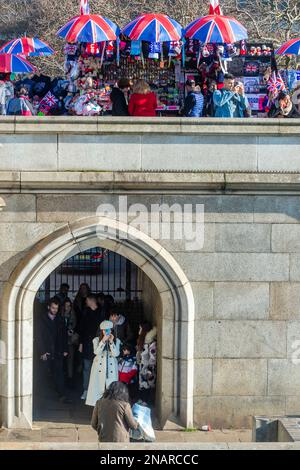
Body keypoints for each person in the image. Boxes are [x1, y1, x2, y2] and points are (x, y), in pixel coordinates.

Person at [36, 298, 70, 403]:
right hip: (46, 351)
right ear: (48, 307)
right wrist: (42, 351)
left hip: (58, 351)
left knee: (59, 373)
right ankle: (38, 396)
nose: (55, 310)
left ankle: (62, 395)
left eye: (56, 308)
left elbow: (64, 335)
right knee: (42, 373)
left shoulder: (60, 319)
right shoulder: (41, 320)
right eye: (53, 308)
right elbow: (38, 337)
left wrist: (65, 349)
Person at [86, 320, 121, 407]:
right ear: (101, 330)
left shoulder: (117, 340)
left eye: (109, 330)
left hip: (111, 368)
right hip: (99, 368)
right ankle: (98, 408)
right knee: (98, 389)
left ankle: (110, 408)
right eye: (105, 330)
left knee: (111, 389)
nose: (107, 332)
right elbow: (96, 352)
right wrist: (103, 341)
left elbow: (116, 354)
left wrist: (112, 342)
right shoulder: (96, 340)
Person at [78, 294, 106, 400]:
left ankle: (98, 391)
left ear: (91, 300)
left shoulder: (102, 312)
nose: (85, 302)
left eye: (86, 300)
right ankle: (86, 390)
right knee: (86, 368)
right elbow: (82, 329)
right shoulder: (86, 312)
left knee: (99, 369)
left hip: (99, 345)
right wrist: (81, 343)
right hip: (87, 344)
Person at [136, 323, 157, 404]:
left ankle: (146, 401)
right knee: (142, 385)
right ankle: (143, 400)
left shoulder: (150, 343)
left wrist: (149, 369)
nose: (139, 330)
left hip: (148, 367)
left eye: (140, 328)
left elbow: (153, 357)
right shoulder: (142, 340)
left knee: (148, 384)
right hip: (143, 366)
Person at [61, 298, 78, 387]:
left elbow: (74, 325)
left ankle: (70, 379)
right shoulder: (60, 314)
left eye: (69, 306)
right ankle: (62, 379)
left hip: (70, 341)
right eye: (66, 305)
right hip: (61, 340)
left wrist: (71, 330)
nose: (67, 307)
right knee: (61, 360)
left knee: (70, 360)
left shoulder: (73, 314)